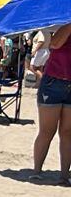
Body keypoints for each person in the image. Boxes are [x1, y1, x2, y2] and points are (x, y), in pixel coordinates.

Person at [32, 22, 71, 184]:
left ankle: (64, 175)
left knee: (68, 132)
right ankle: (37, 171)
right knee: (47, 130)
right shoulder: (66, 26)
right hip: (53, 82)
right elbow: (54, 44)